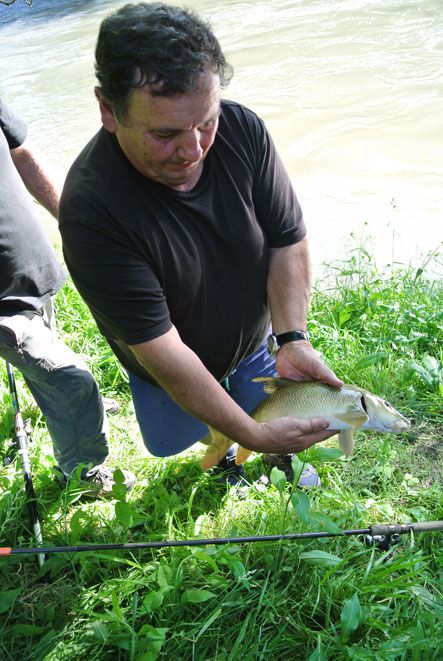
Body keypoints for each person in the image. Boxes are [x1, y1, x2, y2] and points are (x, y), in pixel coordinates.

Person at [59, 2, 343, 487]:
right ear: (109, 109)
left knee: (263, 407)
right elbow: (165, 352)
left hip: (255, 342)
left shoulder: (242, 129)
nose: (194, 150)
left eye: (205, 121)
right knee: (171, 438)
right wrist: (253, 433)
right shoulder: (91, 212)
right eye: (165, 133)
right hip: (171, 363)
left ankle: (249, 440)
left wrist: (292, 337)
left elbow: (287, 239)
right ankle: (228, 444)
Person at [0, 96, 135, 492]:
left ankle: (75, 418)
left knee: (54, 379)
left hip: (30, 268)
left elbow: (19, 152)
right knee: (74, 382)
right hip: (3, 309)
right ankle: (83, 474)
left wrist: (71, 218)